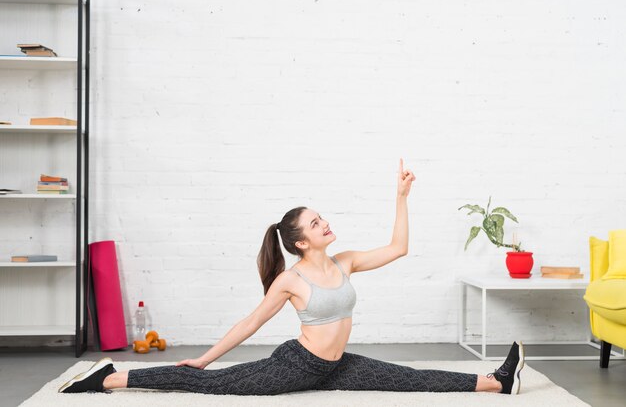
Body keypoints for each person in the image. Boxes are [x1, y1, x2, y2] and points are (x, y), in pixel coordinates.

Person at [59, 159, 525, 396]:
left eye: (323, 218)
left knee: (407, 377)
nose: (326, 224)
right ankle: (109, 378)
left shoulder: (345, 262)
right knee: (217, 384)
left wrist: (400, 196)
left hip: (335, 364)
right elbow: (249, 324)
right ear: (301, 242)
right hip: (296, 365)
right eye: (316, 223)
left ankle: (497, 382)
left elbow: (398, 248)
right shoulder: (291, 279)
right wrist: (202, 359)